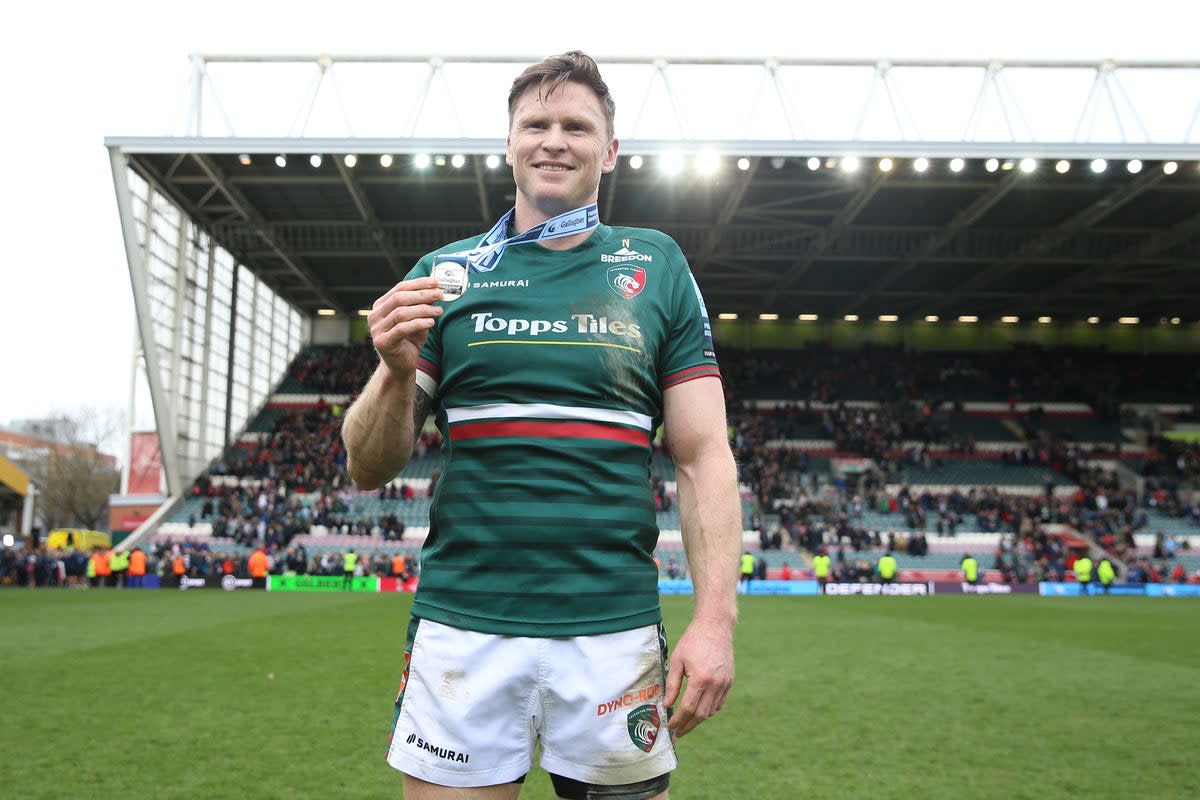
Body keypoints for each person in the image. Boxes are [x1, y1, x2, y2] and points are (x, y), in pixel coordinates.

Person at [342, 51, 740, 800]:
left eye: (576, 126)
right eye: (537, 123)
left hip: (611, 633)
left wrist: (715, 621)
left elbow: (703, 456)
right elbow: (367, 465)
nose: (555, 139)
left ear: (610, 150)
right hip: (465, 629)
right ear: (510, 142)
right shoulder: (448, 273)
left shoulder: (654, 266)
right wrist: (394, 372)